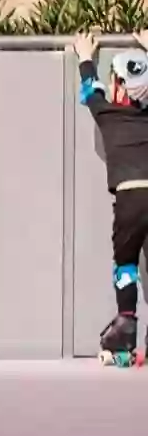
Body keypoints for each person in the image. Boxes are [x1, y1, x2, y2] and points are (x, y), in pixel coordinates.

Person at [71, 29, 148, 366]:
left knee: (127, 264)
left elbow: (91, 90)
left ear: (118, 88)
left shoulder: (109, 114)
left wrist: (86, 56)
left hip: (131, 197)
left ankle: (125, 328)